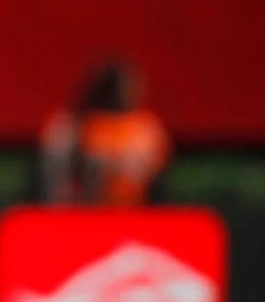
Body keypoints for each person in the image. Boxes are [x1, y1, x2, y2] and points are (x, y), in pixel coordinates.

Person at [39, 59, 170, 206]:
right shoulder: (71, 126)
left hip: (137, 211)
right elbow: (57, 180)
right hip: (85, 210)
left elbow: (158, 179)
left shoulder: (146, 129)